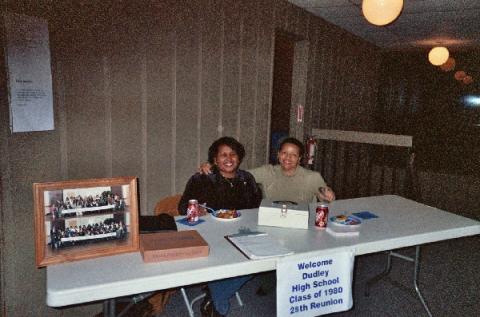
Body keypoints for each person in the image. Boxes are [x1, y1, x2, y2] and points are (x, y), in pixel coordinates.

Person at [178, 136, 262, 317]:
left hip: (242, 233)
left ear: (239, 158)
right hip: (211, 235)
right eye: (223, 155)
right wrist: (197, 209)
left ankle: (215, 290)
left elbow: (256, 208)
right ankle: (219, 298)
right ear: (214, 160)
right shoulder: (201, 179)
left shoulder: (247, 179)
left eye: (233, 154)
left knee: (259, 258)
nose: (229, 159)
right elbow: (183, 207)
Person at [200, 137, 335, 204]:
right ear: (277, 154)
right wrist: (212, 165)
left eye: (293, 155)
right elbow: (237, 175)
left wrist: (328, 196)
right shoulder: (267, 171)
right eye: (284, 153)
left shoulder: (312, 177)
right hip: (270, 224)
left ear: (300, 158)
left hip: (303, 226)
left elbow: (325, 197)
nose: (288, 158)